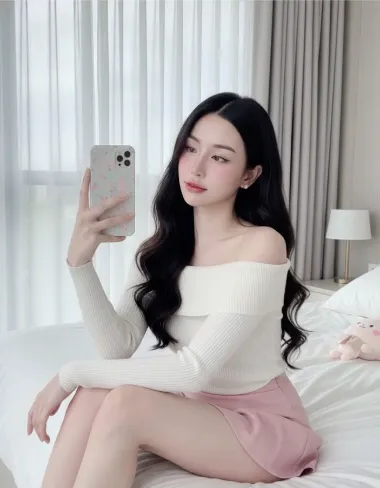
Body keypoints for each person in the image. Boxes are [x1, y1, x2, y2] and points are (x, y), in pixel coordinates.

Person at [28, 92, 322, 488]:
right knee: (94, 392)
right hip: (196, 412)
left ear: (249, 175)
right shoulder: (160, 248)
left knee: (124, 401)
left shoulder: (263, 244)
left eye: (220, 158)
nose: (196, 168)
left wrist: (68, 374)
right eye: (190, 148)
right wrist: (80, 264)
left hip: (261, 426)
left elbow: (194, 371)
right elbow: (117, 347)